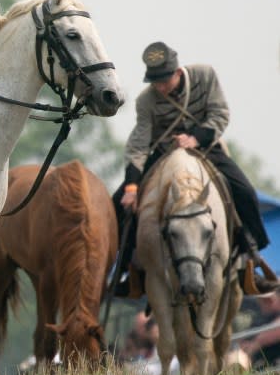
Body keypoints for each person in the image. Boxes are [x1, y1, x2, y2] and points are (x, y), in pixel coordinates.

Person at [112, 41, 277, 296]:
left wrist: (195, 139)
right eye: (155, 82)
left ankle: (251, 257)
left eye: (164, 81)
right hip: (163, 152)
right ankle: (127, 271)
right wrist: (132, 187)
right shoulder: (146, 101)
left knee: (244, 191)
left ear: (178, 73)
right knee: (117, 205)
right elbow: (138, 145)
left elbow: (220, 114)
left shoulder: (205, 76)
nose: (160, 88)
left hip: (206, 147)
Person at [239, 291, 280, 370]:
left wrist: (255, 344)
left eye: (268, 300)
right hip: (259, 366)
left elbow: (277, 329)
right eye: (262, 300)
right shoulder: (258, 318)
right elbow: (243, 344)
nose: (266, 303)